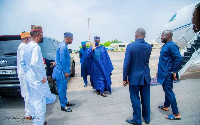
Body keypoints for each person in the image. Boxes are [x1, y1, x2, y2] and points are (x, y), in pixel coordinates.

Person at [22, 25, 56, 125]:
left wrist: (28, 74)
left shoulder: (27, 46)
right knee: (39, 102)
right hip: (37, 80)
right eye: (41, 34)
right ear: (38, 34)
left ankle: (36, 122)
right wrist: (41, 78)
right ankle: (39, 123)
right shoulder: (35, 47)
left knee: (33, 101)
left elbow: (23, 63)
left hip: (30, 78)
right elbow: (34, 63)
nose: (42, 37)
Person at [123, 28, 152, 125]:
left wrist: (124, 78)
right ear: (144, 36)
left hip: (134, 77)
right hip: (145, 77)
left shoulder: (131, 46)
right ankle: (147, 118)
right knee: (146, 98)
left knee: (135, 99)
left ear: (135, 35)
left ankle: (137, 120)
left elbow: (127, 63)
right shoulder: (148, 46)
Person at [157, 30, 182, 120]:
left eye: (163, 35)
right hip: (163, 72)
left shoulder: (171, 46)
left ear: (169, 36)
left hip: (167, 73)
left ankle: (176, 114)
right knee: (167, 90)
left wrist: (174, 71)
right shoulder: (166, 46)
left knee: (169, 91)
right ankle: (166, 106)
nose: (161, 37)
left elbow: (179, 58)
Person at [52, 32, 75, 112]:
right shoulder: (63, 47)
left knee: (64, 88)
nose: (72, 40)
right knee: (61, 89)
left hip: (62, 71)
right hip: (61, 72)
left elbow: (58, 58)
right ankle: (63, 106)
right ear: (68, 38)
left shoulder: (63, 45)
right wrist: (66, 71)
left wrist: (55, 62)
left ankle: (65, 102)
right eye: (71, 39)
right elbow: (62, 60)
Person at [17, 31, 32, 120]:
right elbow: (24, 62)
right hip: (25, 74)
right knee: (28, 93)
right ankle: (28, 114)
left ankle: (29, 112)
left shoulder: (21, 47)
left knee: (27, 93)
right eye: (29, 39)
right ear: (26, 39)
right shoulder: (23, 47)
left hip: (23, 74)